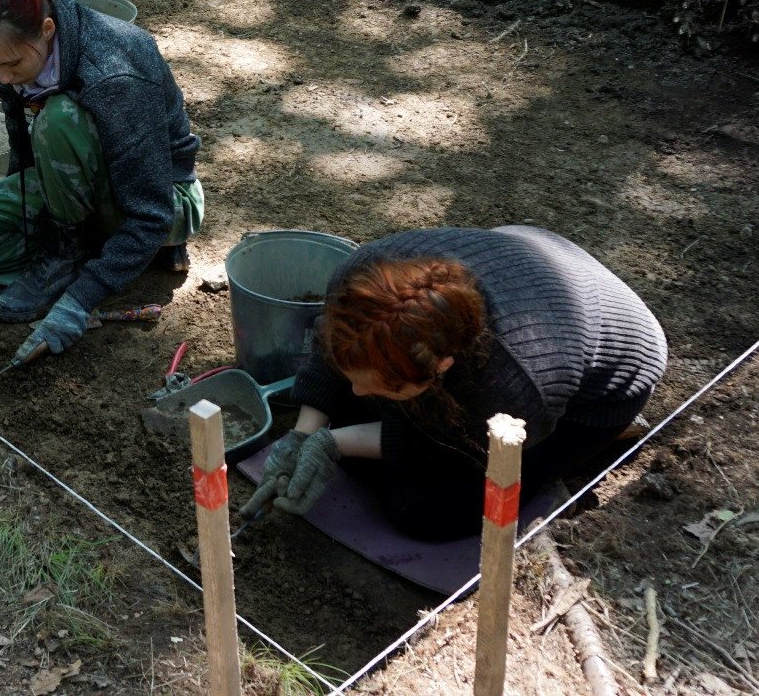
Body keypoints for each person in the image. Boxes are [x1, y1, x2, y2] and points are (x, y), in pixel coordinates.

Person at [245, 226, 667, 542]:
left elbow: (453, 448)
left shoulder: (513, 385)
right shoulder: (362, 276)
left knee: (422, 511)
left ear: (441, 365)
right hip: (532, 264)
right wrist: (303, 434)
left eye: (385, 386)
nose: (357, 390)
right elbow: (331, 347)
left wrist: (333, 442)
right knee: (356, 411)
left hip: (602, 384)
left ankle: (585, 445)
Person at [0, 0, 203, 351]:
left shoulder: (114, 74)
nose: (4, 79)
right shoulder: (19, 56)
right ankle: (76, 247)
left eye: (11, 65)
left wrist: (79, 300)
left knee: (60, 119)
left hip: (161, 201)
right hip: (73, 190)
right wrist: (21, 211)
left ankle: (72, 259)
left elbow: (152, 213)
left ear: (48, 29)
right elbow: (24, 155)